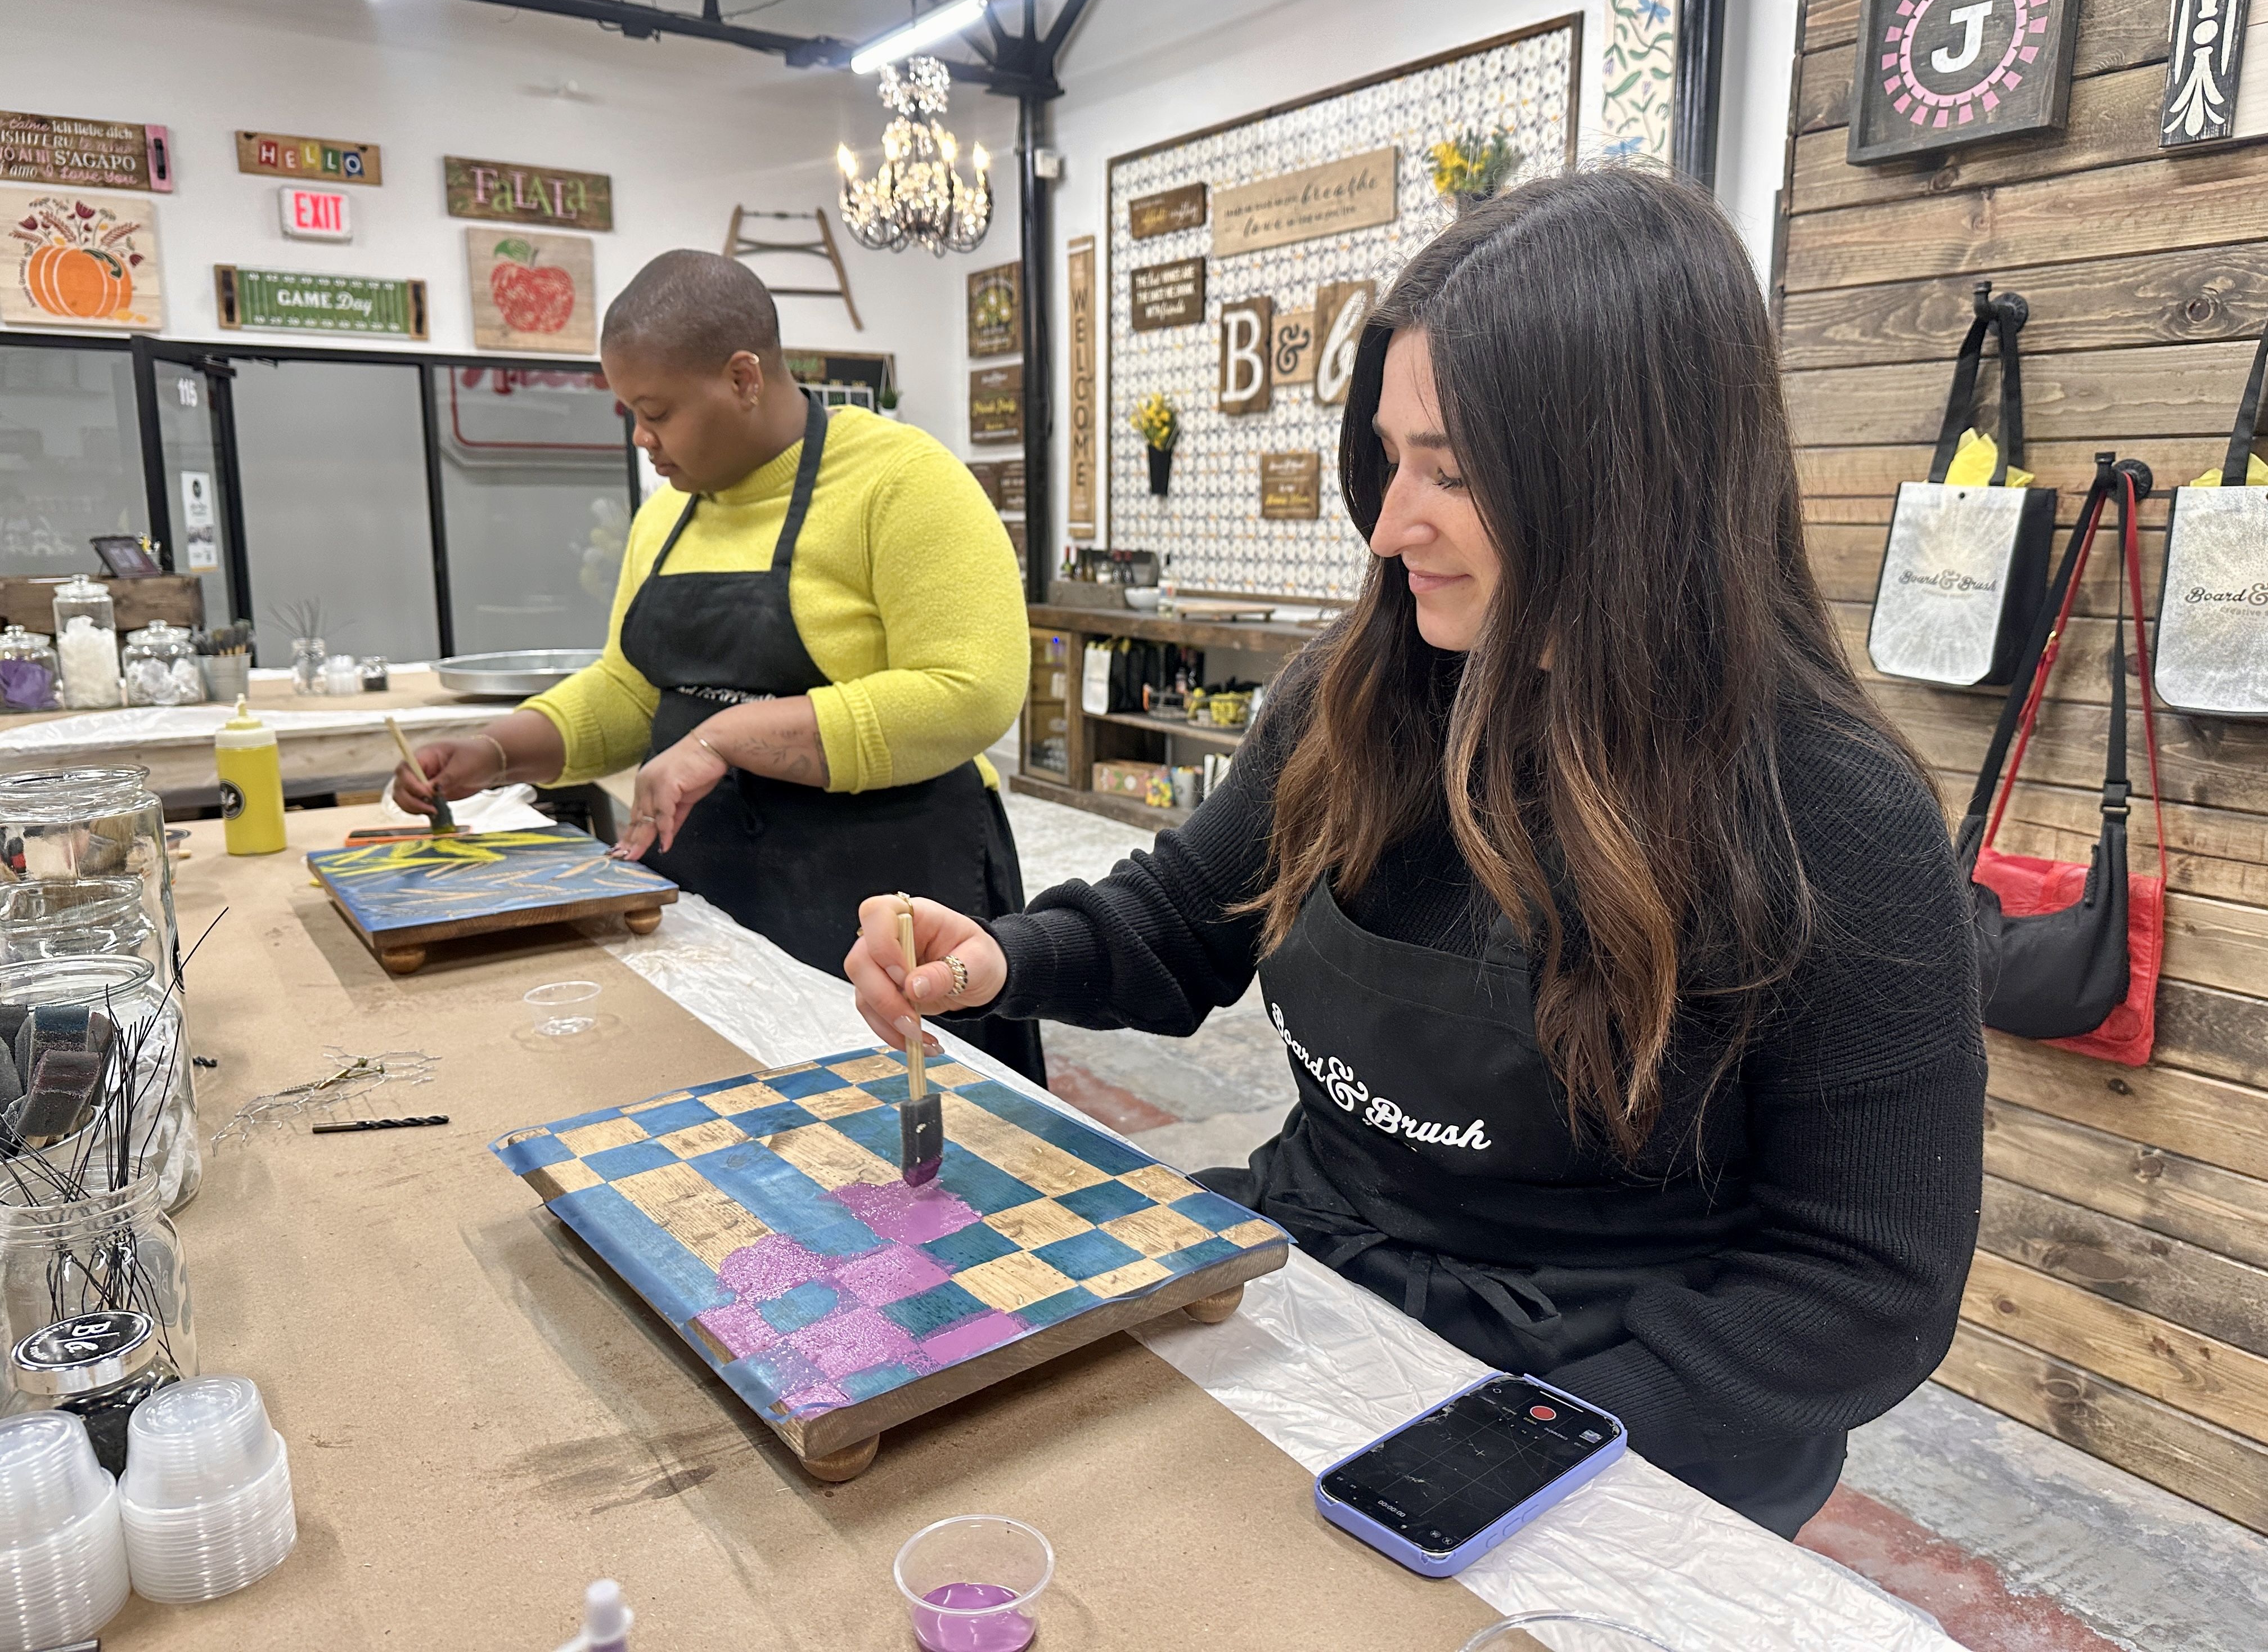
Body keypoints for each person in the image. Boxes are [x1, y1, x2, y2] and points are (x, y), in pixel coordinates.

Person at [844, 170, 1987, 1537]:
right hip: (1309, 1277)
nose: (1390, 526)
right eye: (1390, 459)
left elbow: (1864, 1278)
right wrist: (1004, 961)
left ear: (1629, 481)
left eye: (1453, 471)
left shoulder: (1829, 814)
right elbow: (1185, 915)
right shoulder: (1366, 688)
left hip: (1623, 1402)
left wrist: (1533, 1441)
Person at [398, 250, 1042, 1078]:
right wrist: (495, 751)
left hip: (887, 893)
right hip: (714, 886)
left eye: (657, 410)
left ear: (743, 378)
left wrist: (727, 735)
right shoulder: (666, 517)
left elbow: (971, 693)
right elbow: (633, 689)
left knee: (905, 1149)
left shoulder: (901, 481)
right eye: (628, 411)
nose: (641, 439)